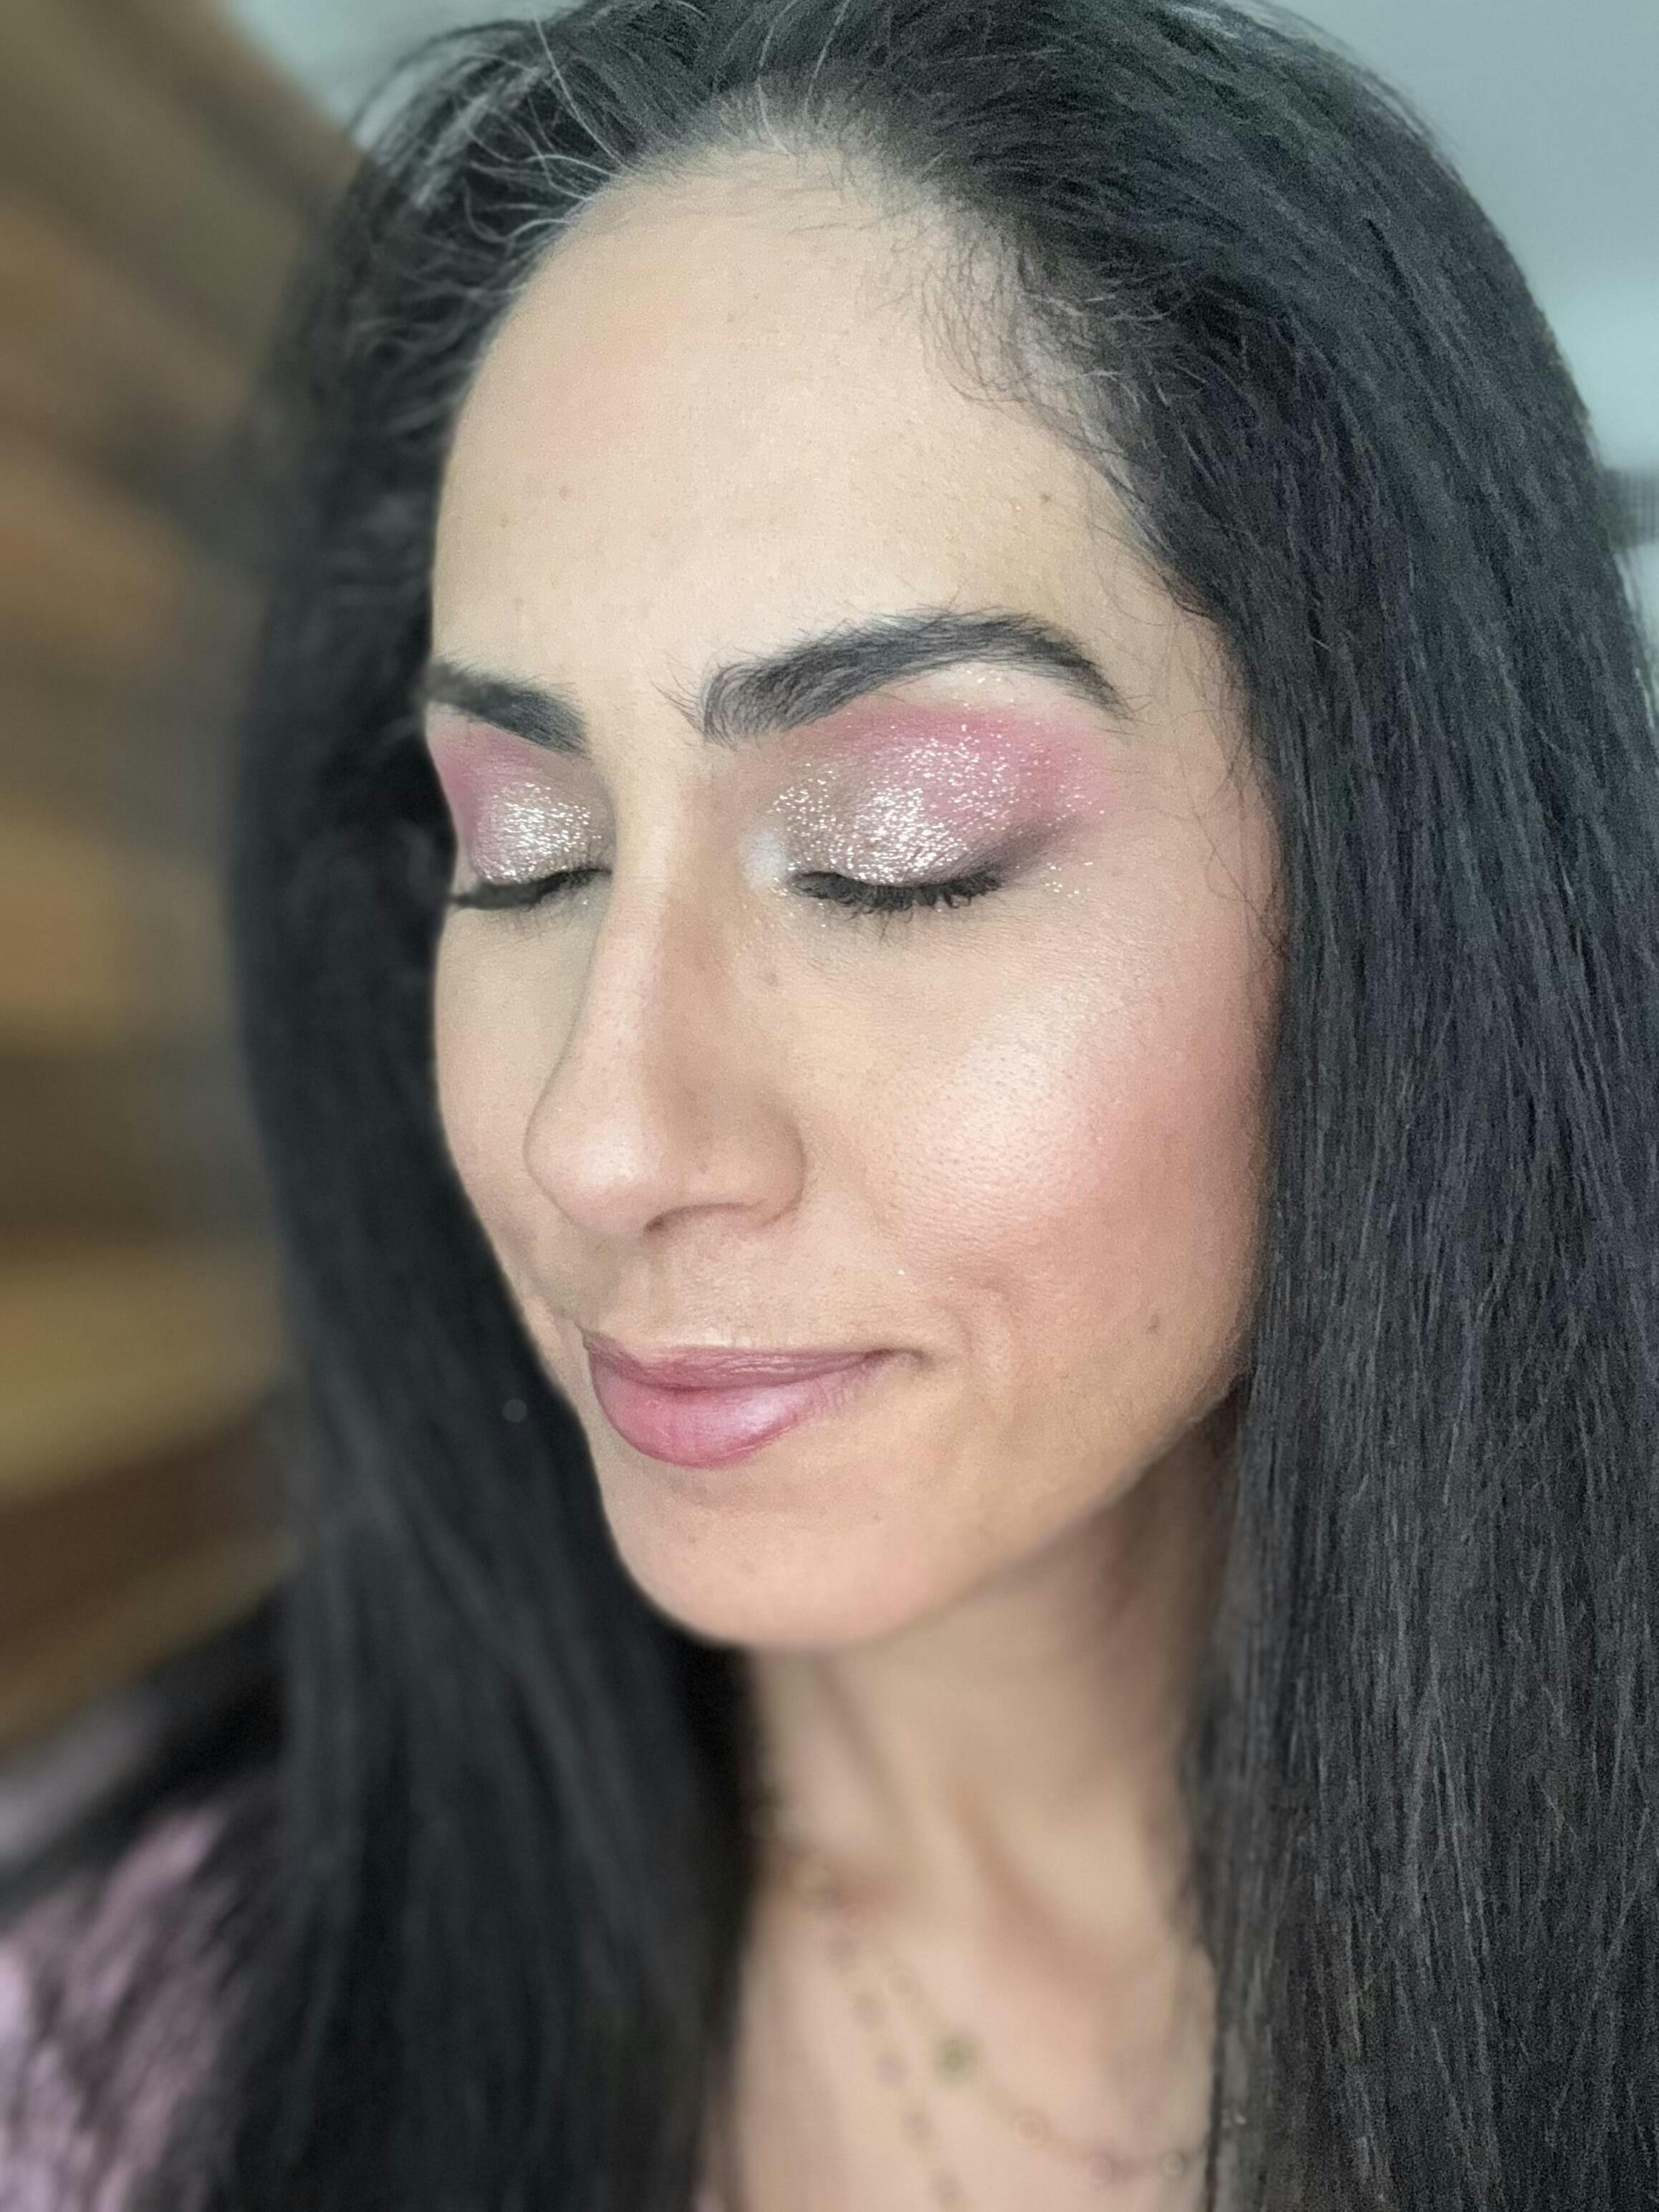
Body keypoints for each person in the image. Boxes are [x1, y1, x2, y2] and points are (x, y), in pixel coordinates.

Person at [4, 1, 1656, 2206]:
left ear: (1403, 871)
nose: (600, 1141)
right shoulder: (131, 2051)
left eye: (896, 849)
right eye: (528, 852)